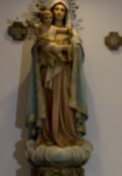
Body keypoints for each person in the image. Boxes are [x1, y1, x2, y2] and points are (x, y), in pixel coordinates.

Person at [26, 0, 88, 148]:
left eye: (62, 10)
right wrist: (46, 48)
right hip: (48, 74)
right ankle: (48, 135)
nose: (59, 12)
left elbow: (78, 51)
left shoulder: (71, 31)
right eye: (56, 9)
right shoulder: (45, 30)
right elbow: (37, 50)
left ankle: (67, 134)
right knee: (49, 103)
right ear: (51, 12)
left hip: (65, 74)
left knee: (66, 104)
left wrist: (63, 48)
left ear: (66, 13)